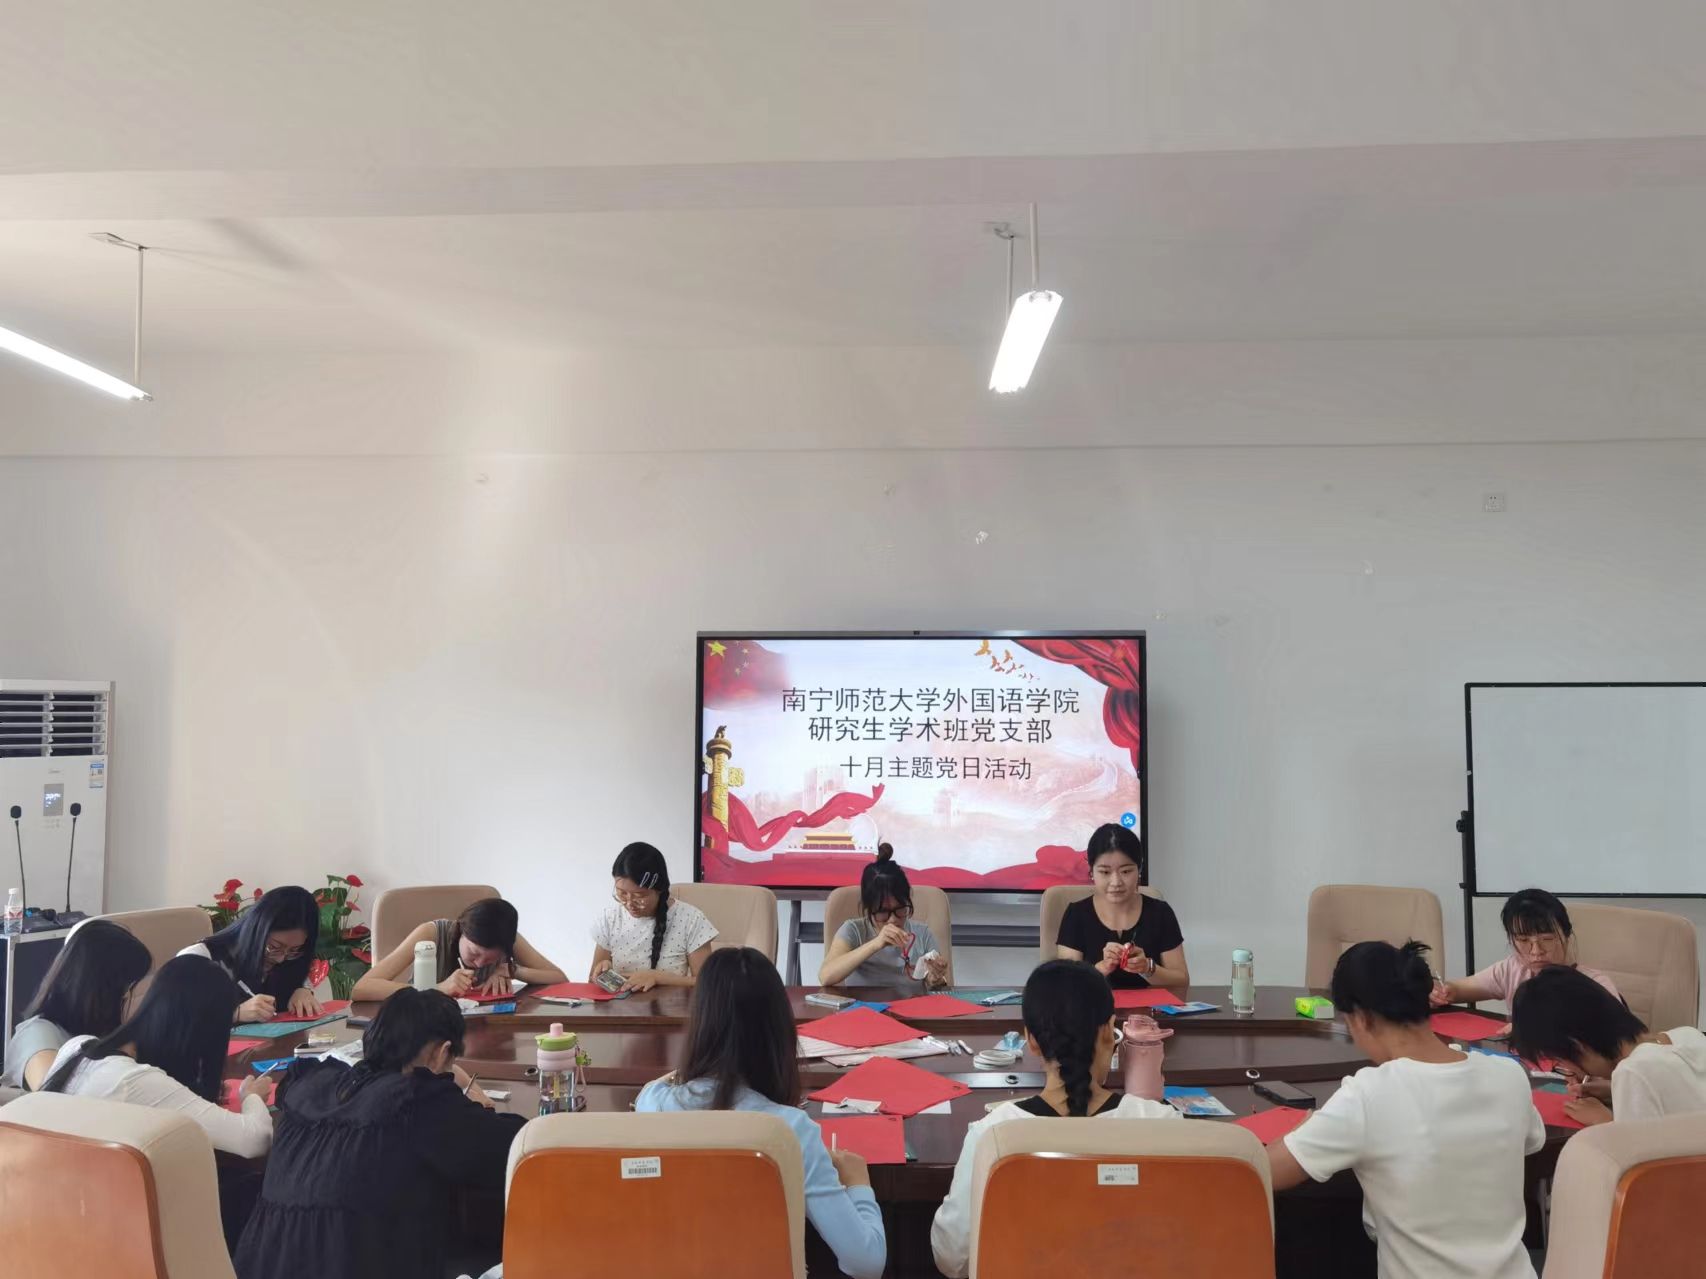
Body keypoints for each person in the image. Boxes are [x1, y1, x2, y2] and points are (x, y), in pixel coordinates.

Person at [1266, 941, 1544, 1279]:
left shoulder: (1368, 1095)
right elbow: (1531, 1141)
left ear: (1361, 1019)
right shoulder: (1508, 1075)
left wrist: (1299, 1132)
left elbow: (1264, 1171)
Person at [233, 987, 525, 1279]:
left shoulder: (308, 1083)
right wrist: (479, 1105)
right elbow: (518, 1147)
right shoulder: (417, 1101)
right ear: (442, 1052)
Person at [636, 947, 886, 1279]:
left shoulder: (653, 1103)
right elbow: (866, 1263)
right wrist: (858, 1183)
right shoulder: (790, 1130)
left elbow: (654, 1088)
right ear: (779, 1030)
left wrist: (690, 1069)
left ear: (699, 1025)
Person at [930, 960, 1177, 1278]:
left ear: (1031, 1040)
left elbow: (952, 1256)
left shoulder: (992, 1134)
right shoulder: (1162, 1123)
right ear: (1108, 1031)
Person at [1510, 964, 1706, 1125]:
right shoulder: (1688, 1035)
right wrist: (1617, 1091)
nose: (1567, 1068)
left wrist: (1604, 1121)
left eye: (1560, 1061)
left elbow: (1640, 1153)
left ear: (1578, 1046)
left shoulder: (1632, 1073)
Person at [3, 919, 152, 1091]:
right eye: (128, 988)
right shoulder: (37, 1034)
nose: (130, 997)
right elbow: (54, 1094)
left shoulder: (104, 1032)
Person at [1431, 888, 1621, 1010]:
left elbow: (1618, 1036)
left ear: (1567, 935)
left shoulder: (1595, 983)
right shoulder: (1512, 970)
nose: (1536, 951)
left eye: (1547, 939)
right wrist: (1440, 992)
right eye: (1523, 940)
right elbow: (1457, 990)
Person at [352, 896, 567, 1001]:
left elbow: (559, 978)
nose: (480, 964)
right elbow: (362, 988)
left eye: (491, 960)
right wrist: (437, 989)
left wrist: (512, 970)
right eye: (474, 953)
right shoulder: (430, 934)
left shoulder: (505, 940)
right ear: (461, 929)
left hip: (484, 1033)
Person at [1053, 824, 1189, 989]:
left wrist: (1147, 968)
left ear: (1139, 870)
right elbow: (1065, 985)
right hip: (1093, 1006)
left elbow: (1181, 981)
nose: (1116, 882)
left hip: (1151, 1006)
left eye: (1126, 871)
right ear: (1092, 872)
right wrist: (1100, 969)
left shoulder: (1160, 912)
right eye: (1105, 872)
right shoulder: (1076, 915)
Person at [180, 885, 323, 1023]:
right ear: (256, 929)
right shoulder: (200, 958)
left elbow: (300, 984)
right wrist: (235, 1014)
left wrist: (302, 991)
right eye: (274, 947)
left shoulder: (292, 960)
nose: (280, 959)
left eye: (294, 950)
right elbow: (176, 1019)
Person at [590, 842, 718, 992]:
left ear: (659, 889)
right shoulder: (610, 919)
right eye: (622, 893)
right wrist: (602, 971)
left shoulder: (690, 919)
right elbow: (592, 983)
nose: (629, 903)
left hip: (672, 1006)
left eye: (640, 896)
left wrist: (658, 977)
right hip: (619, 1005)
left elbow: (708, 984)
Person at [818, 843, 949, 988]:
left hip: (912, 1001)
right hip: (864, 1002)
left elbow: (934, 984)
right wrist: (876, 943)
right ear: (869, 909)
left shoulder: (923, 934)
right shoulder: (853, 930)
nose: (893, 920)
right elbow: (825, 976)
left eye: (900, 909)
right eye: (882, 912)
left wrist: (935, 978)